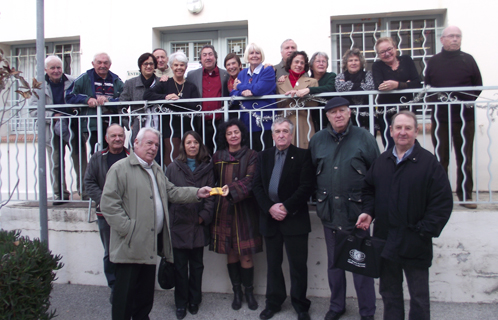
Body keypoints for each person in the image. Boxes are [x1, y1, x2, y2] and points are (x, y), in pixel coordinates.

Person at [100, 127, 212, 320]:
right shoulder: (120, 169)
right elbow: (109, 205)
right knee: (124, 299)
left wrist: (197, 192)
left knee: (144, 298)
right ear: (136, 143)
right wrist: (129, 230)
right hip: (129, 246)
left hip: (150, 244)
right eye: (149, 143)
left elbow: (172, 192)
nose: (153, 148)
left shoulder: (156, 169)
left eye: (157, 145)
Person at [356, 111, 453, 320]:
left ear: (416, 132)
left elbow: (442, 202)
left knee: (418, 297)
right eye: (398, 128)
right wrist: (368, 212)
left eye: (408, 128)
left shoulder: (428, 163)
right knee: (389, 294)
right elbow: (368, 190)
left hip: (415, 241)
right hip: (385, 240)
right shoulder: (382, 161)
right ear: (390, 131)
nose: (402, 132)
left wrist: (424, 231)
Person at [309, 97, 379, 320]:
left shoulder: (364, 138)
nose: (337, 115)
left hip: (357, 214)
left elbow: (376, 177)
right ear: (327, 116)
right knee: (334, 265)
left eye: (342, 111)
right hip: (329, 213)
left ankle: (367, 311)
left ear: (350, 113)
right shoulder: (318, 140)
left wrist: (370, 210)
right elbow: (311, 175)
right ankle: (337, 306)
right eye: (333, 112)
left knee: (361, 265)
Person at [252, 117, 314, 320]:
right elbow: (257, 186)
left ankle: (300, 305)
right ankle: (273, 302)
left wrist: (285, 207)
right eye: (277, 131)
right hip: (270, 218)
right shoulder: (263, 156)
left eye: (285, 131)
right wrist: (270, 208)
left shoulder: (303, 156)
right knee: (273, 264)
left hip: (294, 218)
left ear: (291, 134)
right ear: (272, 135)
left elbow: (306, 187)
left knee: (298, 265)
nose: (281, 135)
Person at [425, 25, 482, 209]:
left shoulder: (468, 60)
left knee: (465, 158)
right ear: (442, 40)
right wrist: (441, 101)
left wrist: (460, 100)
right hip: (441, 118)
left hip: (465, 117)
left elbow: (477, 86)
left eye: (458, 36)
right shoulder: (433, 61)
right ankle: (441, 198)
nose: (455, 39)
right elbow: (427, 88)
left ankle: (465, 196)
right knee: (441, 159)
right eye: (451, 36)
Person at [210, 119, 262, 311]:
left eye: (236, 132)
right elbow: (212, 181)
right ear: (224, 136)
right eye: (229, 133)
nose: (233, 136)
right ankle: (237, 293)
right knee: (231, 253)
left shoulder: (251, 155)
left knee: (246, 255)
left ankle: (249, 292)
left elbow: (251, 180)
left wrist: (229, 189)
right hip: (223, 209)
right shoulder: (217, 157)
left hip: (245, 210)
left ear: (242, 134)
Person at [166, 131, 215, 320]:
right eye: (188, 142)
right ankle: (180, 303)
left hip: (198, 224)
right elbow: (168, 195)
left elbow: (211, 196)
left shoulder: (207, 167)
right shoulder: (173, 167)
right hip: (179, 224)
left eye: (195, 142)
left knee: (196, 266)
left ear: (200, 145)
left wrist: (203, 217)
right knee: (179, 267)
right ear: (183, 146)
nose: (192, 146)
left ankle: (194, 300)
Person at [30, 55, 87, 203]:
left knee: (80, 160)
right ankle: (60, 194)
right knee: (55, 162)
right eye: (52, 68)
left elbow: (83, 100)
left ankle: (85, 193)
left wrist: (76, 109)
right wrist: (51, 115)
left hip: (73, 126)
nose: (56, 71)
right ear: (45, 69)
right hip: (51, 128)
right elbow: (33, 110)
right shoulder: (39, 85)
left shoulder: (73, 81)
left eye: (58, 68)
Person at [84, 124, 129, 303]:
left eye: (120, 135)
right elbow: (89, 182)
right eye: (113, 136)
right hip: (105, 214)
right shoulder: (97, 158)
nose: (117, 138)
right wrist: (105, 201)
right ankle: (115, 287)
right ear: (106, 138)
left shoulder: (131, 156)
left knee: (128, 249)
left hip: (128, 213)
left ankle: (128, 284)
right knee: (110, 252)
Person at [144, 51, 200, 166]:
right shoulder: (165, 83)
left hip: (188, 128)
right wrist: (165, 97)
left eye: (181, 65)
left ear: (186, 67)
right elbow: (147, 95)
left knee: (189, 161)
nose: (179, 68)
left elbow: (196, 105)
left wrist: (177, 102)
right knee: (172, 161)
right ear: (171, 67)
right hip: (170, 129)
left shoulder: (191, 86)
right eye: (176, 65)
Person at [66, 52, 124, 153]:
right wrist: (87, 99)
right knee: (97, 153)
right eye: (99, 62)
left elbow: (125, 98)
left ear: (110, 65)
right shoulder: (85, 77)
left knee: (116, 152)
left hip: (113, 123)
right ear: (93, 64)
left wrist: (108, 101)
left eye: (105, 63)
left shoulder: (116, 79)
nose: (102, 66)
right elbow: (69, 95)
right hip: (93, 124)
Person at [372, 38, 421, 150]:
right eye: (382, 52)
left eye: (389, 49)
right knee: (390, 147)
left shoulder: (407, 60)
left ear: (395, 48)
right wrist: (406, 83)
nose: (387, 53)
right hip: (387, 113)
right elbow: (379, 86)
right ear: (379, 55)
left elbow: (417, 83)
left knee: (409, 145)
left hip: (407, 111)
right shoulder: (377, 66)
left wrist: (397, 85)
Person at [230, 43, 276, 151]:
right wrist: (241, 93)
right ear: (247, 56)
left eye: (257, 53)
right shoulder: (242, 73)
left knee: (264, 157)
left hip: (264, 123)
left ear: (262, 55)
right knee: (249, 159)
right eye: (251, 53)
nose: (254, 55)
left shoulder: (267, 70)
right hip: (246, 124)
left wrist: (240, 86)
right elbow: (232, 94)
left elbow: (259, 89)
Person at [186, 45, 229, 153]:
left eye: (210, 54)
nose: (208, 57)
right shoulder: (192, 75)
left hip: (220, 122)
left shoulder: (225, 74)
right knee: (202, 154)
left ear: (215, 57)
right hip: (200, 123)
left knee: (221, 153)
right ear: (201, 59)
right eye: (204, 55)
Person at [277, 51, 318, 149]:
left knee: (304, 154)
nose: (299, 65)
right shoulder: (280, 82)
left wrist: (299, 93)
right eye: (296, 62)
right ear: (290, 63)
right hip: (285, 123)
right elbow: (278, 106)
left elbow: (314, 104)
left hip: (304, 123)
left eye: (302, 63)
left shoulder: (312, 82)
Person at [119, 52, 160, 148]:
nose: (148, 66)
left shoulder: (161, 82)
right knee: (138, 152)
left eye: (151, 64)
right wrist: (129, 124)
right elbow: (121, 106)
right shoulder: (131, 83)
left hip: (158, 124)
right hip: (138, 126)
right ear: (140, 66)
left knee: (158, 152)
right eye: (145, 64)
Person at [294, 51, 337, 132]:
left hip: (329, 119)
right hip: (311, 119)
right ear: (311, 66)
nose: (321, 64)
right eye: (318, 61)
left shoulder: (331, 76)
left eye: (324, 61)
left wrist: (309, 90)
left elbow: (330, 88)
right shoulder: (307, 80)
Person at [335, 48, 375, 130]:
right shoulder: (340, 76)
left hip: (367, 117)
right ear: (346, 64)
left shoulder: (368, 74)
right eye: (350, 60)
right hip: (348, 117)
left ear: (361, 62)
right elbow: (339, 88)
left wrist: (348, 86)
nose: (353, 63)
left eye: (356, 60)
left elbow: (371, 87)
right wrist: (361, 85)